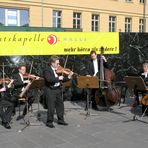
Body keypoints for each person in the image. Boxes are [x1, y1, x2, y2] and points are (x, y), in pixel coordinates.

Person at [43, 55, 73, 128]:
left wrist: (68, 77)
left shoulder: (57, 70)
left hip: (58, 89)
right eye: (57, 63)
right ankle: (49, 122)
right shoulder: (47, 70)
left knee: (60, 106)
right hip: (50, 90)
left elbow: (61, 79)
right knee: (51, 107)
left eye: (58, 63)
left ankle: (61, 120)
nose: (58, 65)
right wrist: (58, 78)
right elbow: (49, 80)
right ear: (52, 63)